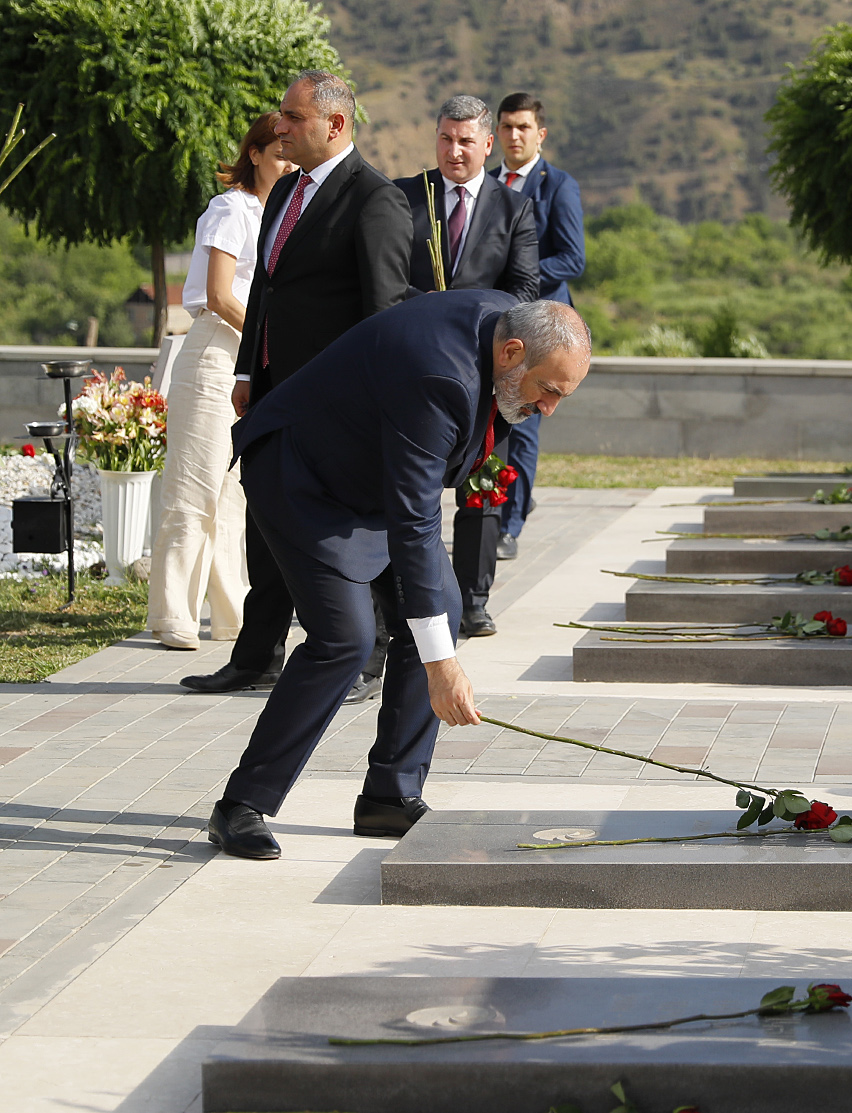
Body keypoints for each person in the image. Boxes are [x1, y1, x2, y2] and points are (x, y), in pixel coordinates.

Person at [204, 292, 591, 860]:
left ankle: (390, 795)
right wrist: (441, 667)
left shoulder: (509, 328)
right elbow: (415, 521)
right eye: (548, 390)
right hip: (302, 477)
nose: (550, 408)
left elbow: (419, 506)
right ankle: (241, 804)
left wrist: (437, 645)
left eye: (562, 395)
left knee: (442, 611)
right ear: (512, 353)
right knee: (345, 638)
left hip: (373, 480)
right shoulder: (440, 376)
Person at [180, 70, 412, 699]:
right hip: (275, 395)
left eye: (293, 117)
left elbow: (383, 314)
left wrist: (366, 404)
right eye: (281, 115)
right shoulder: (286, 190)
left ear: (335, 124)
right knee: (266, 524)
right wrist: (248, 371)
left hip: (338, 406)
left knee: (352, 534)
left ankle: (369, 658)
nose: (279, 126)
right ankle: (257, 656)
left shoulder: (375, 199)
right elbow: (266, 288)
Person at [388, 94, 540, 642]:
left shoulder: (513, 208)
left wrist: (468, 319)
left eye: (466, 141)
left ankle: (474, 602)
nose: (454, 151)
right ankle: (403, 599)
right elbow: (385, 276)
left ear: (488, 144)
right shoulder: (404, 197)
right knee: (409, 490)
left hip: (483, 374)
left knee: (481, 490)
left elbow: (524, 290)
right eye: (446, 139)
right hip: (410, 368)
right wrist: (427, 311)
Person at [148, 112, 293, 651]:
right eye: (278, 155)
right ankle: (173, 614)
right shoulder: (231, 208)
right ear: (254, 155)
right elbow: (218, 294)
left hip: (250, 358)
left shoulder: (284, 215)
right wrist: (272, 336)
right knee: (194, 485)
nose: (288, 165)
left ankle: (233, 615)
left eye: (293, 156)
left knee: (234, 492)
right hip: (215, 351)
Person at [490, 91, 586, 561]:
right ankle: (493, 509)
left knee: (524, 423)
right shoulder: (486, 183)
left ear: (540, 134)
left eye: (523, 127)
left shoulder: (558, 185)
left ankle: (509, 527)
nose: (514, 135)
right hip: (495, 325)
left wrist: (517, 273)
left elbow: (572, 259)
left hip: (543, 331)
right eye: (507, 127)